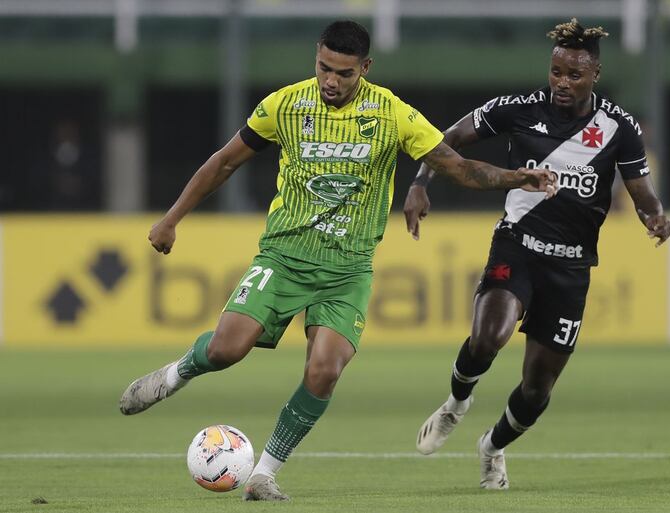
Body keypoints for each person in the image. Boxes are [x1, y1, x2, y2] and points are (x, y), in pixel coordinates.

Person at [118, 20, 557, 502]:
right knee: (226, 350)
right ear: (316, 58)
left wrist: (515, 177)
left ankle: (263, 474)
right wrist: (171, 219)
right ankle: (176, 374)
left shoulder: (393, 115)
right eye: (324, 67)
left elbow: (459, 167)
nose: (331, 80)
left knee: (324, 370)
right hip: (285, 257)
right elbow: (223, 161)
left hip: (347, 271)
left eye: (343, 73)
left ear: (364, 68)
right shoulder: (285, 104)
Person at [404, 18, 670, 490]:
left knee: (536, 390)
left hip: (571, 267)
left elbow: (641, 192)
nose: (562, 83)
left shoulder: (618, 128)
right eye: (556, 72)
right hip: (517, 244)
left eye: (574, 75)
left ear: (595, 75)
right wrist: (421, 183)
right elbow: (445, 141)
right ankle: (456, 405)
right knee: (489, 337)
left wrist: (655, 217)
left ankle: (492, 447)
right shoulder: (518, 108)